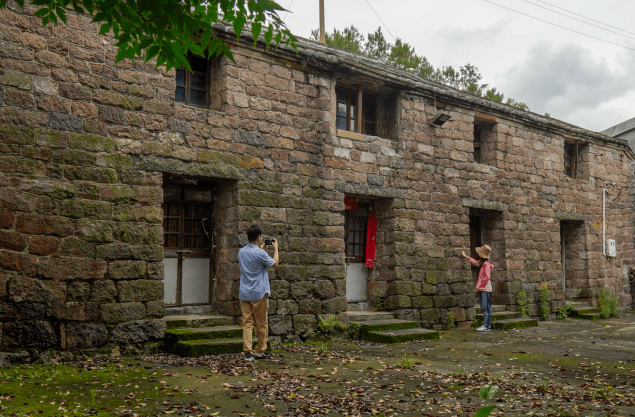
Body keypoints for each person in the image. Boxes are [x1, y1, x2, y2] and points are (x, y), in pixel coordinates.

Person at [238, 224, 279, 362]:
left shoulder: (241, 252)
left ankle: (248, 351)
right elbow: (274, 264)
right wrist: (276, 249)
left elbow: (252, 259)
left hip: (245, 292)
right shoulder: (260, 253)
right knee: (261, 323)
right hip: (259, 292)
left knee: (247, 323)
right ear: (259, 237)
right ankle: (260, 350)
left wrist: (261, 249)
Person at [461, 245, 494, 332]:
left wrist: (480, 285)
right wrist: (466, 257)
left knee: (484, 307)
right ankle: (488, 326)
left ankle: (486, 325)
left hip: (485, 289)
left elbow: (487, 276)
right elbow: (476, 262)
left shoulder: (486, 264)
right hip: (485, 288)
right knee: (487, 307)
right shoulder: (483, 263)